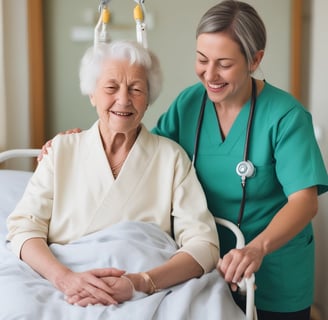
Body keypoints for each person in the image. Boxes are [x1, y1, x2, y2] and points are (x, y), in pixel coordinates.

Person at [37, 1, 328, 319]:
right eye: (202, 60)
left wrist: (256, 248)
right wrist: (80, 144)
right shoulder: (191, 103)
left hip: (272, 267)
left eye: (224, 64)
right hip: (201, 267)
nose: (210, 74)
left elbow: (304, 202)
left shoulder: (286, 117)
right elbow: (143, 149)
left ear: (255, 59)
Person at [6, 40, 220, 308]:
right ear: (92, 93)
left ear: (149, 98)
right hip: (62, 283)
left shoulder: (171, 158)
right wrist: (65, 279)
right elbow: (24, 228)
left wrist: (140, 282)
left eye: (136, 89)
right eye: (111, 87)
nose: (123, 99)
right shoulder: (61, 151)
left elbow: (204, 245)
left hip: (145, 289)